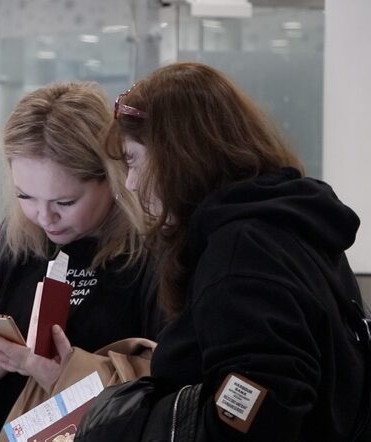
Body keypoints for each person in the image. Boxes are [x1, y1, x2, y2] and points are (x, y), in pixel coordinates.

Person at [91, 62, 371, 440]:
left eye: (134, 161)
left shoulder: (242, 253)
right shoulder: (288, 223)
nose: (132, 182)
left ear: (179, 157)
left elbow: (258, 408)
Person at [0, 81, 163, 441]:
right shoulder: (15, 240)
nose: (43, 216)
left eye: (65, 202)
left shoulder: (150, 253)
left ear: (112, 177)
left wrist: (65, 376)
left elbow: (172, 400)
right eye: (25, 195)